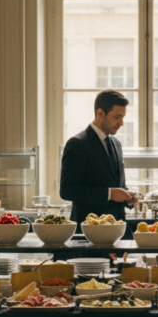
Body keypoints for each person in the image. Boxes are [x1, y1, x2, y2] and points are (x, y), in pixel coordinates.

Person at [59, 89, 140, 223]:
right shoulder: (77, 144)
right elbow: (67, 191)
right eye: (117, 117)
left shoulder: (116, 143)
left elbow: (115, 185)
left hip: (117, 227)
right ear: (100, 113)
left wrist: (128, 197)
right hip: (88, 229)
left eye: (122, 118)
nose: (121, 123)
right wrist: (109, 194)